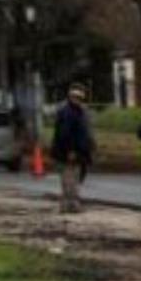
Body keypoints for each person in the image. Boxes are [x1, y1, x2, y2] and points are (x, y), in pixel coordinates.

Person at [50, 83, 95, 214]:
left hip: (78, 151)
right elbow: (65, 134)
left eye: (79, 98)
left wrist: (90, 146)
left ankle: (70, 203)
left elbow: (85, 132)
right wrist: (70, 150)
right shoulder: (68, 113)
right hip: (69, 152)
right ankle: (70, 204)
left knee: (75, 177)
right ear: (70, 97)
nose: (78, 100)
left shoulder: (79, 111)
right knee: (70, 178)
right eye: (75, 97)